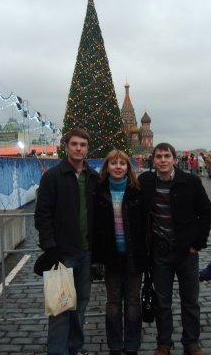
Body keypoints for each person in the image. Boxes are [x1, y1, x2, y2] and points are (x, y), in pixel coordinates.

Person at [138, 142, 211, 355]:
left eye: (166, 156)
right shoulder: (145, 182)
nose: (163, 160)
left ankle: (191, 342)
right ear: (153, 160)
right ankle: (164, 343)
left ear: (173, 159)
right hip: (160, 252)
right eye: (159, 156)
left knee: (190, 301)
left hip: (186, 252)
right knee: (163, 302)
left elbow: (206, 212)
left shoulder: (190, 181)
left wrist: (198, 243)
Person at [34, 128, 98, 355]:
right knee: (60, 310)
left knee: (80, 307)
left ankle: (75, 348)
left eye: (83, 144)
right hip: (62, 254)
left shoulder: (93, 177)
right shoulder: (52, 177)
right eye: (74, 144)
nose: (78, 148)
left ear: (87, 148)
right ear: (67, 146)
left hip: (87, 252)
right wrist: (50, 247)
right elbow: (42, 215)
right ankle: (57, 351)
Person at [92, 149, 148, 355]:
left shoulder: (137, 190)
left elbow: (145, 224)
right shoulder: (98, 190)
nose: (118, 167)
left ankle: (132, 345)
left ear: (128, 167)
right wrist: (97, 258)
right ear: (107, 167)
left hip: (134, 254)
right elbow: (95, 226)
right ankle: (115, 345)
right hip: (110, 255)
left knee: (133, 301)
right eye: (113, 163)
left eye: (122, 163)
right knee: (113, 301)